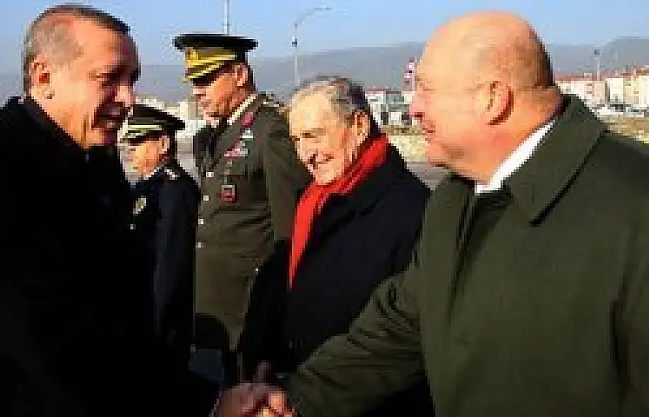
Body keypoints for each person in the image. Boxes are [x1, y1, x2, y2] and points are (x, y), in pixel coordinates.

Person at [214, 10, 649, 417]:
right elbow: (397, 329)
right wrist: (294, 399)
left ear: (492, 98)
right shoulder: (455, 200)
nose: (414, 107)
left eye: (426, 89)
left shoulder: (633, 204)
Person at [0, 4, 159, 416]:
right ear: (43, 77)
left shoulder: (96, 165)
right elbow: (49, 338)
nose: (128, 98)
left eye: (132, 79)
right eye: (109, 78)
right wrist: (202, 401)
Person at [239, 76, 433, 417]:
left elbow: (403, 341)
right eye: (297, 140)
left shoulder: (412, 212)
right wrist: (271, 353)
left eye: (314, 136)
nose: (306, 155)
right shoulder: (314, 201)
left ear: (359, 126)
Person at [172, 33, 311, 387]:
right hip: (227, 304)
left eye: (206, 80)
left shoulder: (270, 129)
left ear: (239, 74)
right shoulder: (219, 133)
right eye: (194, 83)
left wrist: (276, 319)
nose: (197, 92)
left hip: (254, 304)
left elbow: (289, 234)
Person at [122, 103, 200, 379]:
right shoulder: (146, 186)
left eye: (138, 142)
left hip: (161, 318)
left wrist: (158, 322)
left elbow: (171, 264)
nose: (130, 149)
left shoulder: (175, 190)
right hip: (141, 310)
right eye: (130, 143)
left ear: (163, 144)